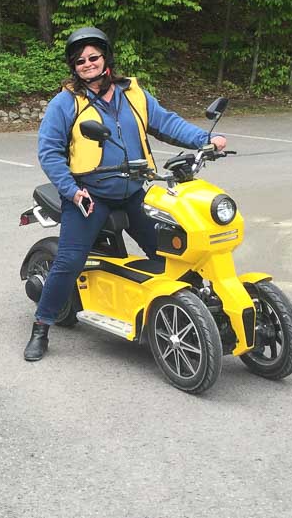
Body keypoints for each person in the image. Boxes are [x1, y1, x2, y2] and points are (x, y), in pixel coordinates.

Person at [24, 27, 227, 361]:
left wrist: (203, 140)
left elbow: (166, 123)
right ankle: (41, 327)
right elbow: (49, 153)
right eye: (79, 60)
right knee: (70, 260)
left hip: (133, 192)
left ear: (106, 58)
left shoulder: (132, 93)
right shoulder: (65, 103)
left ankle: (185, 314)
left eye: (92, 57)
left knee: (171, 252)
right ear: (73, 66)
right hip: (88, 196)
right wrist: (73, 192)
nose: (86, 64)